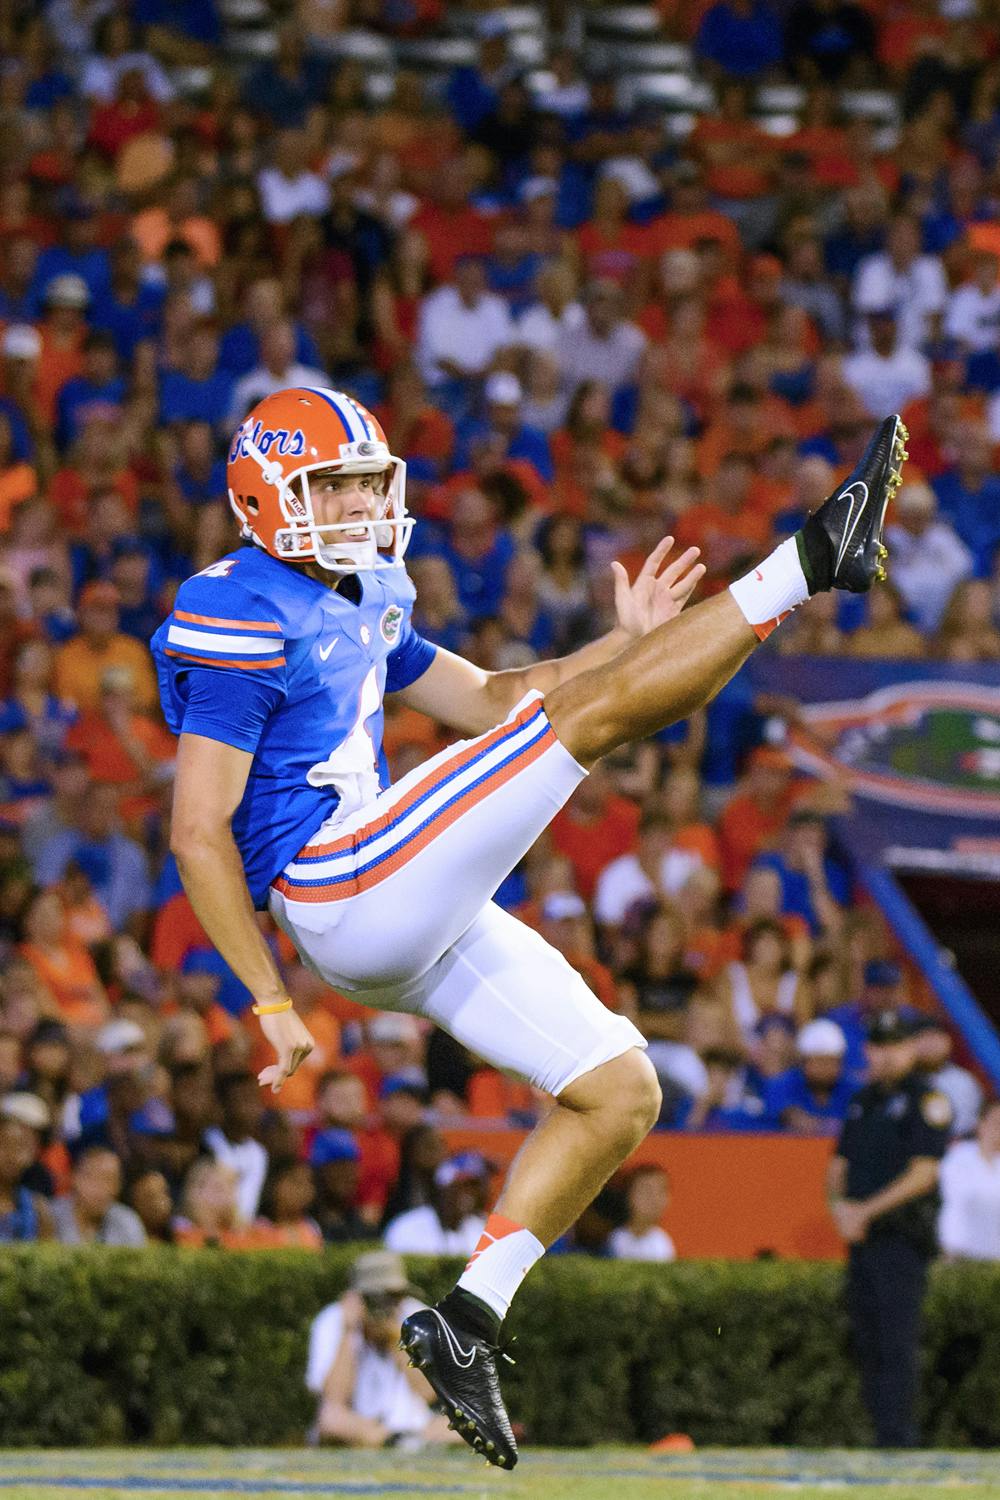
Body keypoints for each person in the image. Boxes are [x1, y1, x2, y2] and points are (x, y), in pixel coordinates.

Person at [154, 384, 907, 1468]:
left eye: (372, 481)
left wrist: (623, 643)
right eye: (338, 486)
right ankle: (803, 563)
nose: (365, 503)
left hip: (397, 890)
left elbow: (498, 697)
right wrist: (267, 996)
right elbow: (194, 830)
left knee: (618, 1088)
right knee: (590, 728)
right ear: (265, 496)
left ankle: (464, 1319)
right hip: (336, 882)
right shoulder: (232, 606)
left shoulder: (363, 588)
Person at [827, 1009, 953, 1449]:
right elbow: (839, 1166)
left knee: (897, 1340)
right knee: (868, 1339)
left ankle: (898, 1437)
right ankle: (881, 1431)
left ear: (910, 1050)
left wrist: (866, 1212)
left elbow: (924, 1174)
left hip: (902, 1239)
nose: (884, 1056)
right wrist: (842, 1211)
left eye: (894, 1046)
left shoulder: (927, 1100)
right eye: (877, 1047)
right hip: (863, 1239)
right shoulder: (864, 1101)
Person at [306, 1249, 460, 1450]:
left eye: (395, 1297)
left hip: (415, 1424)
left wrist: (397, 1341)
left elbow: (429, 1393)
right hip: (357, 1424)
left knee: (466, 1420)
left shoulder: (417, 1315)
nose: (388, 1307)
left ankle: (396, 1440)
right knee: (330, 1419)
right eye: (380, 1299)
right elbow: (333, 1399)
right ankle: (391, 1440)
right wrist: (350, 1332)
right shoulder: (333, 1320)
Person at [938, 1099, 1000, 1261]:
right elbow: (959, 1201)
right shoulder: (959, 1156)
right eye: (996, 1123)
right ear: (981, 1124)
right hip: (963, 1254)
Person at [52, 1144, 147, 1246]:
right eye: (93, 1177)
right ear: (75, 1178)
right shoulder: (50, 1216)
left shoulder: (127, 1221)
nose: (102, 1188)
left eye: (109, 1180)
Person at [608, 1163, 675, 1262]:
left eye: (661, 1191)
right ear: (628, 1195)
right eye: (646, 1191)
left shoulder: (662, 1242)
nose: (654, 1199)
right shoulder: (610, 1239)